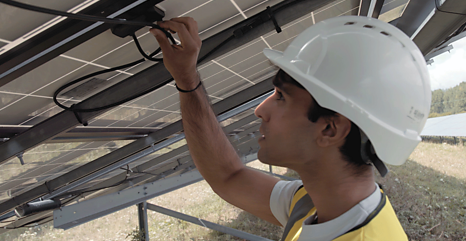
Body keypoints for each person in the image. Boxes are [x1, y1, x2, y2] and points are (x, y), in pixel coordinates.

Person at [149, 15, 431, 241]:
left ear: (330, 130)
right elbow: (228, 177)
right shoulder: (317, 203)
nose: (260, 110)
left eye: (281, 97)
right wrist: (187, 79)